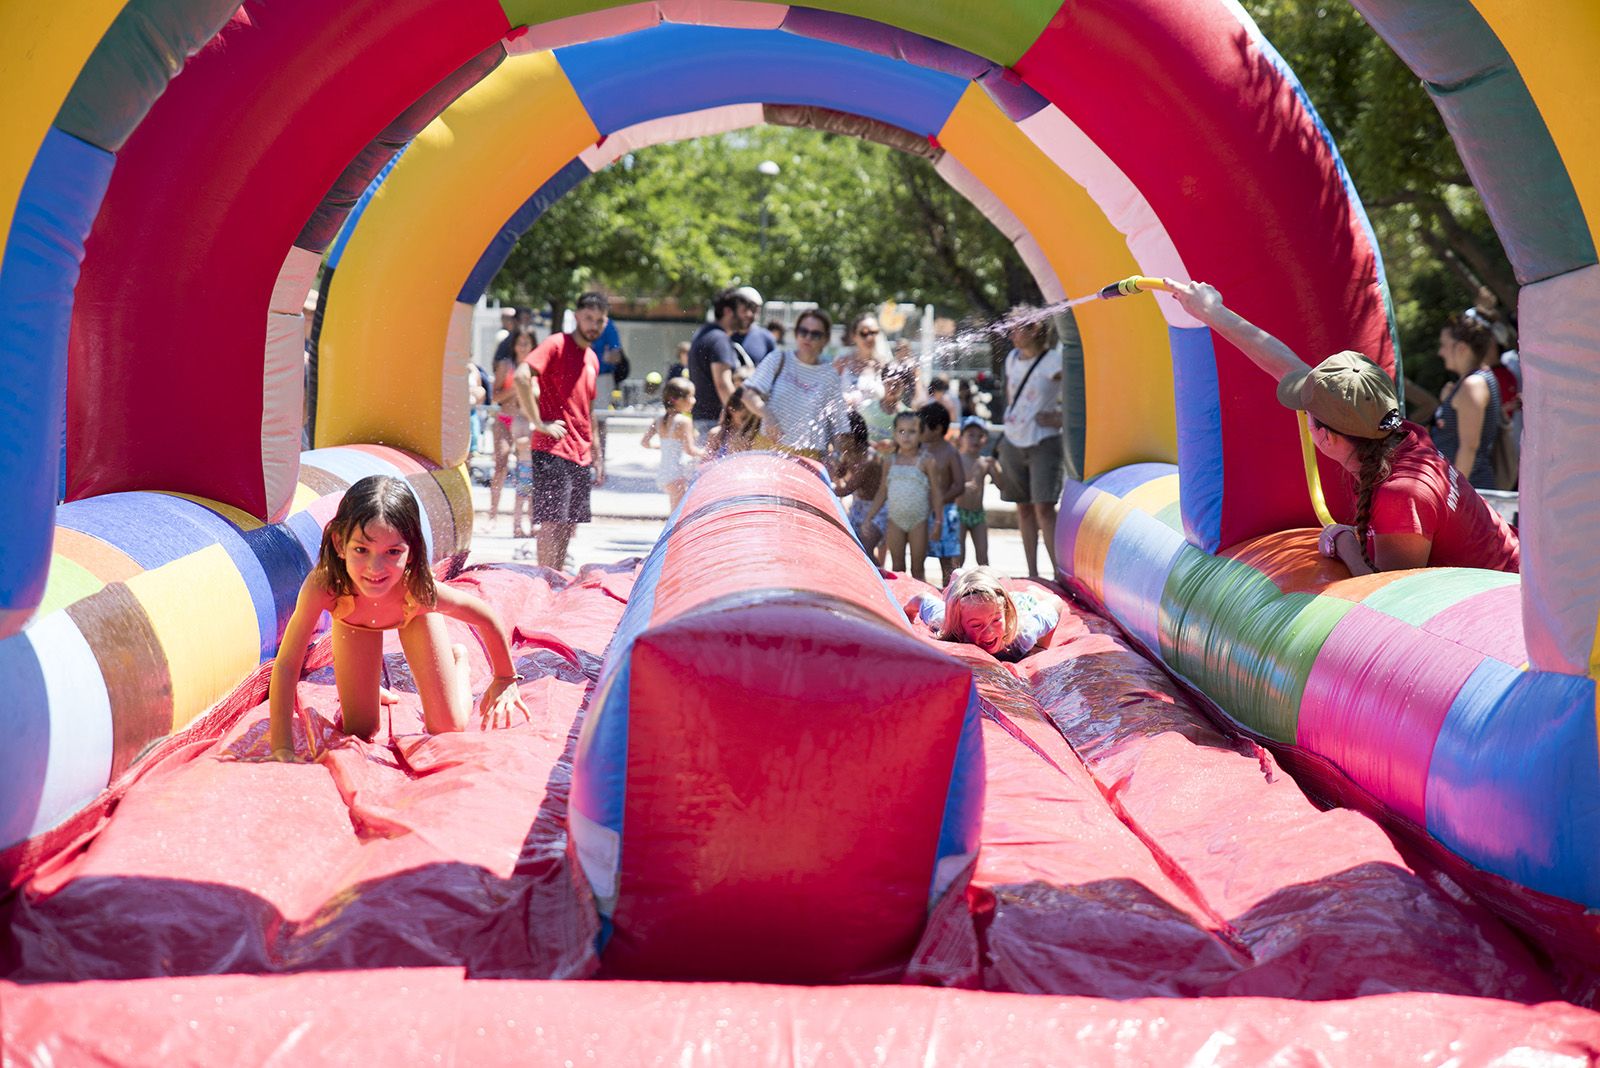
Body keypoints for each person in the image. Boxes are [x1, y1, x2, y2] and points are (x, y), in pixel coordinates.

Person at [1166, 279, 1519, 574]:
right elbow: (1286, 365)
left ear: (1325, 436)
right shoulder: (1395, 432)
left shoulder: (1400, 495)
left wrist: (1344, 541)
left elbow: (1389, 595)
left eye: (1307, 412)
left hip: (1508, 600)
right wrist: (1212, 311)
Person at [268, 476, 530, 761]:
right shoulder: (327, 586)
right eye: (361, 550)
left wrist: (505, 678)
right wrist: (282, 747)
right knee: (360, 729)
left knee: (448, 726)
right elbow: (287, 664)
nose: (375, 567)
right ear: (340, 543)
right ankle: (365, 689)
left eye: (392, 552)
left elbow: (485, 616)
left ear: (411, 551)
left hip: (413, 618)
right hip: (354, 622)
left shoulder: (418, 592)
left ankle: (458, 662)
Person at [513, 291, 608, 571]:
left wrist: (597, 451)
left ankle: (555, 578)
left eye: (599, 320)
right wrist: (538, 422)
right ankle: (544, 579)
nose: (593, 325)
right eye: (588, 318)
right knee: (552, 522)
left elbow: (589, 409)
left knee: (568, 524)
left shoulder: (592, 358)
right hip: (553, 448)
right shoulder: (556, 343)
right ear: (576, 316)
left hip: (581, 452)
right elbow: (521, 376)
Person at [998, 309, 1065, 579]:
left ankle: (1059, 574)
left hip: (1044, 441)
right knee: (1023, 508)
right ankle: (1032, 574)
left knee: (1044, 508)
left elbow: (1079, 391)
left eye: (1017, 327)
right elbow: (1011, 394)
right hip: (1013, 439)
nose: (1012, 334)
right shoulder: (1012, 359)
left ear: (1035, 329)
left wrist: (1061, 417)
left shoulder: (1054, 361)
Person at [741, 307, 852, 461]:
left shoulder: (829, 376)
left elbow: (839, 424)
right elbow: (748, 394)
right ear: (796, 333)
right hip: (768, 448)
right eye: (803, 331)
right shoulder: (778, 359)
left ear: (825, 339)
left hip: (807, 456)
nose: (808, 337)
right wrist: (767, 415)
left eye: (815, 334)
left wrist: (838, 456)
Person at [908, 567, 1063, 662]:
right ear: (959, 625)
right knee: (957, 591)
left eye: (996, 621)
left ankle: (1034, 592)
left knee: (1030, 596)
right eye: (976, 625)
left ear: (1006, 615)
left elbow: (1056, 602)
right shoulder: (945, 623)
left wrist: (1040, 646)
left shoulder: (1022, 637)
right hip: (976, 602)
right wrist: (906, 617)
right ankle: (959, 577)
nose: (988, 632)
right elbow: (921, 598)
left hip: (1022, 604)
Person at [859, 411, 943, 582]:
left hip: (918, 520)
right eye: (901, 431)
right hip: (895, 520)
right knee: (897, 567)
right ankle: (900, 598)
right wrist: (869, 517)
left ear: (921, 434)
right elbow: (882, 491)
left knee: (917, 568)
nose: (906, 436)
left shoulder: (927, 460)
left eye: (912, 431)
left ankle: (919, 596)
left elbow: (936, 491)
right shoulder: (890, 460)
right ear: (895, 434)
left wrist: (938, 521)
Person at [1427, 312, 1502, 491]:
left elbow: (1469, 447)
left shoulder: (1472, 385)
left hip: (1469, 491)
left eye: (1444, 345)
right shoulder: (1473, 381)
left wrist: (1454, 494)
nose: (1440, 352)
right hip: (1466, 489)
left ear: (1461, 348)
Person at [688, 287, 760, 438]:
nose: (749, 315)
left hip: (703, 420)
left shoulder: (704, 333)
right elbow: (723, 385)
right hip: (715, 423)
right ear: (728, 311)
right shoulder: (720, 339)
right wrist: (739, 420)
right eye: (744, 310)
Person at [486, 330, 530, 528]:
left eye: (527, 343)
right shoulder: (506, 365)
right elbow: (494, 397)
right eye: (520, 343)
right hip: (505, 418)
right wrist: (515, 388)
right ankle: (492, 515)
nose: (523, 347)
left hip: (525, 422)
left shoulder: (535, 368)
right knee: (501, 465)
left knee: (526, 469)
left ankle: (520, 520)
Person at [919, 402, 965, 586]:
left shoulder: (949, 452)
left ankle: (950, 590)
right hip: (922, 512)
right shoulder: (919, 449)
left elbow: (959, 485)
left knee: (948, 561)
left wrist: (938, 501)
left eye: (922, 426)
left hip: (945, 512)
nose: (918, 430)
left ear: (937, 429)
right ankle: (919, 589)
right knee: (918, 555)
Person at [641, 378, 703, 511]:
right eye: (691, 396)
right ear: (678, 400)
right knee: (679, 514)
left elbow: (644, 443)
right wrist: (707, 452)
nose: (694, 400)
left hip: (663, 473)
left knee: (675, 512)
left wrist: (662, 447)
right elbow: (690, 450)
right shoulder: (684, 421)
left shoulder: (659, 420)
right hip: (677, 473)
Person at [831, 410, 885, 561]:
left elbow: (846, 489)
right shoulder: (849, 452)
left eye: (842, 435)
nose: (838, 439)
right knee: (854, 547)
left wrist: (823, 487)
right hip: (859, 506)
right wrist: (834, 465)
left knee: (865, 550)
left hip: (877, 509)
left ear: (854, 436)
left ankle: (877, 573)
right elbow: (840, 474)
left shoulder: (868, 459)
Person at [954, 415, 998, 567]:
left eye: (980, 436)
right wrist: (962, 486)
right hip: (959, 512)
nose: (975, 439)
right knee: (958, 556)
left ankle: (984, 579)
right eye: (971, 435)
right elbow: (945, 484)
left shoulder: (984, 462)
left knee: (983, 556)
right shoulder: (956, 459)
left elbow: (1001, 485)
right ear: (961, 438)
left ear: (985, 440)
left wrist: (996, 467)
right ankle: (954, 579)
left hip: (978, 514)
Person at [836, 312, 887, 412]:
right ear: (854, 336)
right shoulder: (842, 363)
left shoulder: (883, 366)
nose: (869, 337)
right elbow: (827, 393)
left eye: (874, 332)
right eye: (864, 333)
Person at [705, 385, 761, 459]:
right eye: (744, 418)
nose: (746, 423)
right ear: (731, 410)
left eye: (751, 419)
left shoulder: (752, 436)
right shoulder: (717, 434)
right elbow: (706, 461)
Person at [730, 286, 777, 363]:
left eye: (753, 309)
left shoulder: (766, 338)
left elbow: (774, 367)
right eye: (744, 309)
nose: (748, 314)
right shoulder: (721, 336)